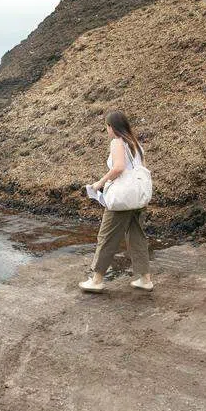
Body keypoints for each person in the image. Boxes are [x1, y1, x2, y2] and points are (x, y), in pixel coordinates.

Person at [80, 110, 153, 293]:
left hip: (122, 199)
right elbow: (140, 169)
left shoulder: (117, 142)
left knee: (107, 236)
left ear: (112, 127)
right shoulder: (135, 143)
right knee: (137, 236)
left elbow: (119, 167)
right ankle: (145, 279)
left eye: (107, 127)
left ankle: (96, 280)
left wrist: (100, 183)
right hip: (138, 198)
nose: (107, 131)